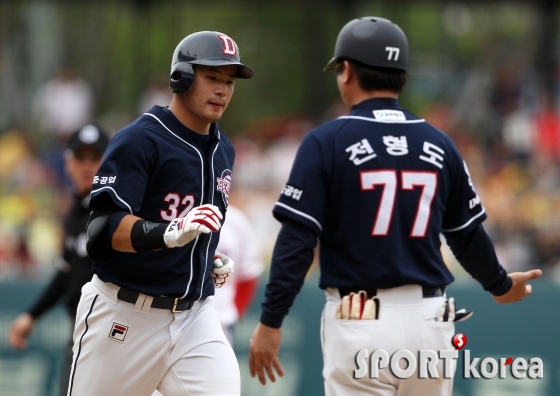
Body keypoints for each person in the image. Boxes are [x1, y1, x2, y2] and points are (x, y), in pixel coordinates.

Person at [248, 16, 542, 396]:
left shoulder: (326, 141)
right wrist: (498, 284)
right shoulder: (440, 144)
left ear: (347, 71)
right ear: (402, 75)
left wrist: (271, 320)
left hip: (359, 318)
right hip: (430, 322)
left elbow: (297, 240)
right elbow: (465, 236)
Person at [67, 31, 253, 396]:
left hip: (195, 318)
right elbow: (103, 228)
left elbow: (185, 229)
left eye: (229, 81)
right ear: (181, 77)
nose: (223, 90)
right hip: (124, 315)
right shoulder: (141, 138)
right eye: (213, 77)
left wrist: (202, 256)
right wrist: (168, 234)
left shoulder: (223, 149)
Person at [8, 124, 110, 396]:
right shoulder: (76, 211)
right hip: (80, 332)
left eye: (95, 157)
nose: (87, 165)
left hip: (107, 335)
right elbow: (67, 271)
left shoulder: (112, 212)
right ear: (68, 163)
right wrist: (33, 314)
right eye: (80, 157)